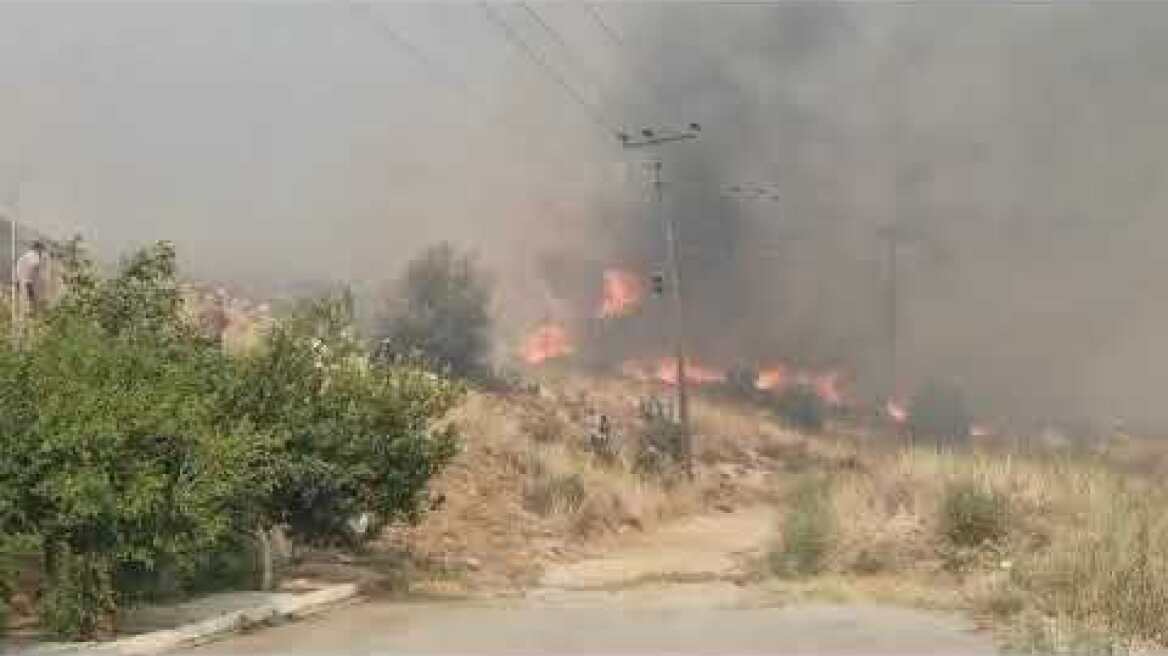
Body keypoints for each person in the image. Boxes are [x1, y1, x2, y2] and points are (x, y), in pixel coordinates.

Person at [14, 240, 45, 317]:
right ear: (37, 248)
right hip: (30, 281)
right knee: (31, 301)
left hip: (22, 280)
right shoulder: (35, 256)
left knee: (25, 301)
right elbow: (36, 266)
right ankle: (30, 317)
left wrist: (17, 280)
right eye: (41, 249)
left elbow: (17, 269)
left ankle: (25, 316)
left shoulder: (23, 257)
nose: (41, 251)